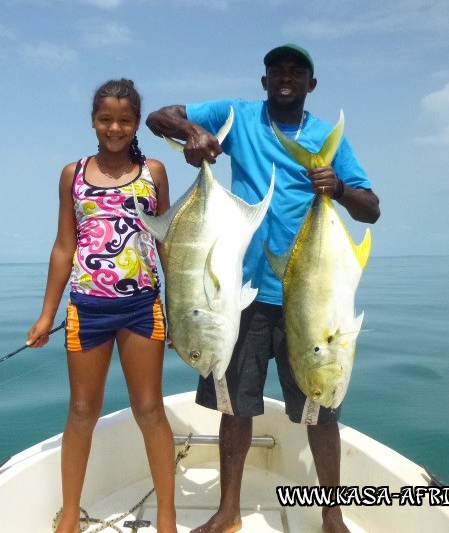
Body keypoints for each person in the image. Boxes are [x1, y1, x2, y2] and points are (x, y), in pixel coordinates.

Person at [145, 44, 380, 533]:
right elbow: (158, 117)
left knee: (322, 411)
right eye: (277, 71)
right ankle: (229, 510)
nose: (286, 78)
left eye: (297, 72)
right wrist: (192, 133)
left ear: (312, 84)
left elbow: (371, 208)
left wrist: (336, 188)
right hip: (239, 295)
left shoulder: (327, 138)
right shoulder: (237, 115)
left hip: (308, 299)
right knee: (236, 408)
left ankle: (331, 516)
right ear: (264, 81)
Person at [27, 79, 178, 533]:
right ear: (93, 120)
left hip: (141, 307)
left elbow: (167, 241)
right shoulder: (72, 174)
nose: (115, 128)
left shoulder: (154, 171)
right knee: (80, 412)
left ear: (136, 125)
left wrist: (180, 309)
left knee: (149, 409)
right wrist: (46, 314)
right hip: (87, 308)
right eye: (106, 119)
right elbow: (63, 246)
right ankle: (70, 515)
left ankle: (167, 519)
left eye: (125, 120)